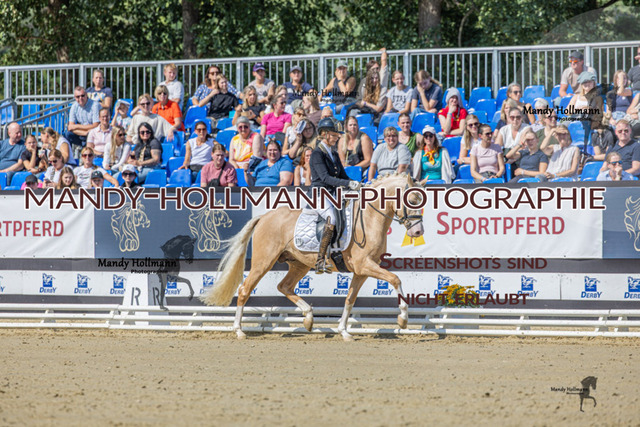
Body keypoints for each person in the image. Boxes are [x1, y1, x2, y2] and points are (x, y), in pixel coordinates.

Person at [308, 117, 361, 274]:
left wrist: (357, 184)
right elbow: (325, 178)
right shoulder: (317, 154)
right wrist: (348, 184)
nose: (337, 137)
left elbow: (343, 176)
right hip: (319, 193)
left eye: (337, 135)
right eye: (334, 135)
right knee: (331, 218)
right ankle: (321, 260)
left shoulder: (334, 153)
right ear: (324, 134)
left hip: (333, 194)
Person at [568, 71, 604, 145]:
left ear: (594, 83)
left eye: (589, 82)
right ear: (581, 84)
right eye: (585, 82)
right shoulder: (576, 97)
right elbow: (567, 112)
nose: (587, 84)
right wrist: (578, 109)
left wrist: (589, 109)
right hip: (575, 120)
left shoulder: (598, 98)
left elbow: (600, 112)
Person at [66, 86, 100, 158]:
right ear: (75, 97)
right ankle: (69, 158)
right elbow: (70, 127)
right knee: (67, 134)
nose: (80, 98)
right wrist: (84, 132)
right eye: (78, 97)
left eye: (82, 96)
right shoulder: (74, 106)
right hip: (83, 133)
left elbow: (96, 125)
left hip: (93, 133)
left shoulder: (95, 105)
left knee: (91, 133)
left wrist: (76, 126)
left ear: (86, 95)